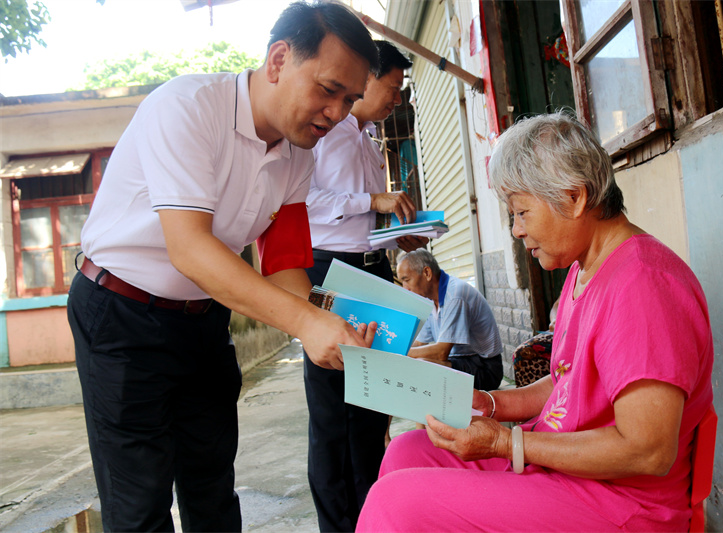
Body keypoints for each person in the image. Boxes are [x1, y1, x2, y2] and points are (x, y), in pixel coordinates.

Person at [66, 2, 379, 531]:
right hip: (120, 313)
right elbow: (189, 248)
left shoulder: (299, 154)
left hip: (204, 318)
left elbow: (283, 263)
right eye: (328, 90)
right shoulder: (188, 107)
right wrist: (304, 323)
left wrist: (335, 326)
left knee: (212, 488)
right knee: (139, 504)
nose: (337, 113)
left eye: (350, 100)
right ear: (278, 59)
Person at [356, 112, 714, 532]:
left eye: (522, 212)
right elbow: (569, 383)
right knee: (408, 451)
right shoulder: (585, 271)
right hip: (565, 469)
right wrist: (491, 405)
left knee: (394, 503)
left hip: (619, 503)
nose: (516, 230)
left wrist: (507, 443)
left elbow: (648, 451)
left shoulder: (644, 285)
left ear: (575, 197)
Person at [301, 40, 424, 533]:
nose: (396, 100)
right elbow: (305, 202)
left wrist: (403, 230)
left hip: (370, 266)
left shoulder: (366, 139)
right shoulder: (323, 133)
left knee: (372, 403)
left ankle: (374, 515)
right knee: (335, 408)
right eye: (392, 88)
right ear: (366, 78)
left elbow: (367, 214)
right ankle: (340, 524)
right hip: (332, 271)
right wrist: (372, 199)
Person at [396, 249, 503, 391]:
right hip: (461, 361)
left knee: (423, 364)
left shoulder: (455, 295)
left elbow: (441, 353)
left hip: (485, 368)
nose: (405, 289)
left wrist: (402, 354)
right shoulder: (430, 300)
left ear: (427, 273)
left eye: (407, 280)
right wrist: (395, 349)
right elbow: (420, 342)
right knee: (414, 361)